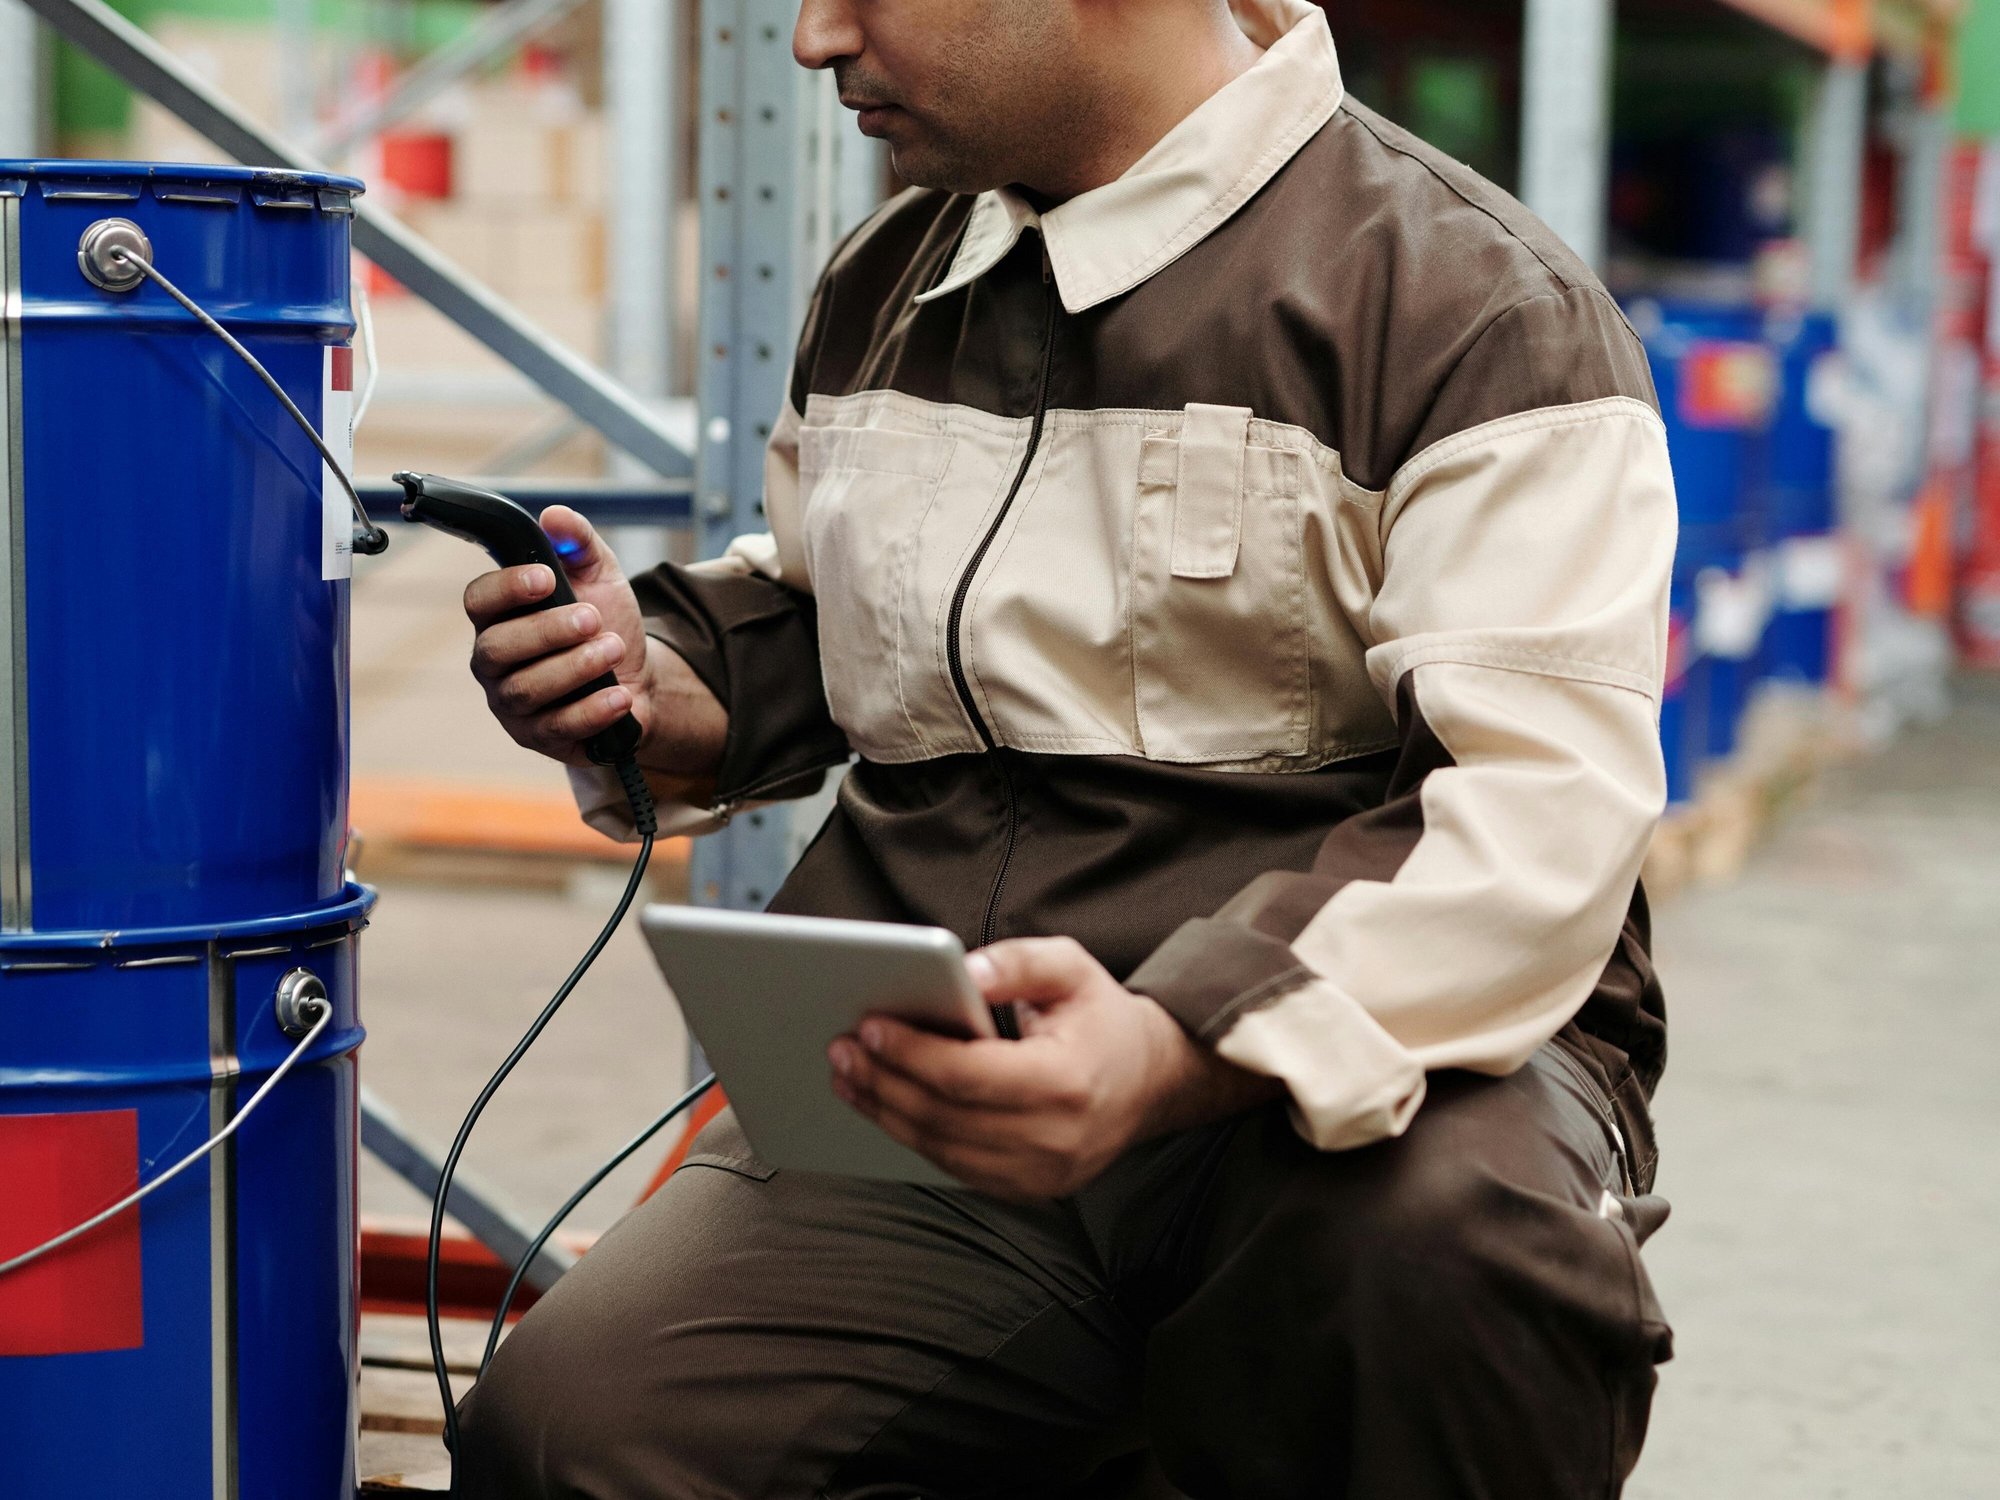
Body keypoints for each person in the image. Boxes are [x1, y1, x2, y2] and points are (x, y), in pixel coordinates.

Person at [454, 0, 1678, 1493]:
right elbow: (831, 616)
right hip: (954, 1090)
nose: (813, 40)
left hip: (1352, 1089)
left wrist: (1173, 1043)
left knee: (1442, 1263)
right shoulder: (884, 283)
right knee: (577, 1433)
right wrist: (651, 681)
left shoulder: (1470, 311)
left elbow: (1535, 819)